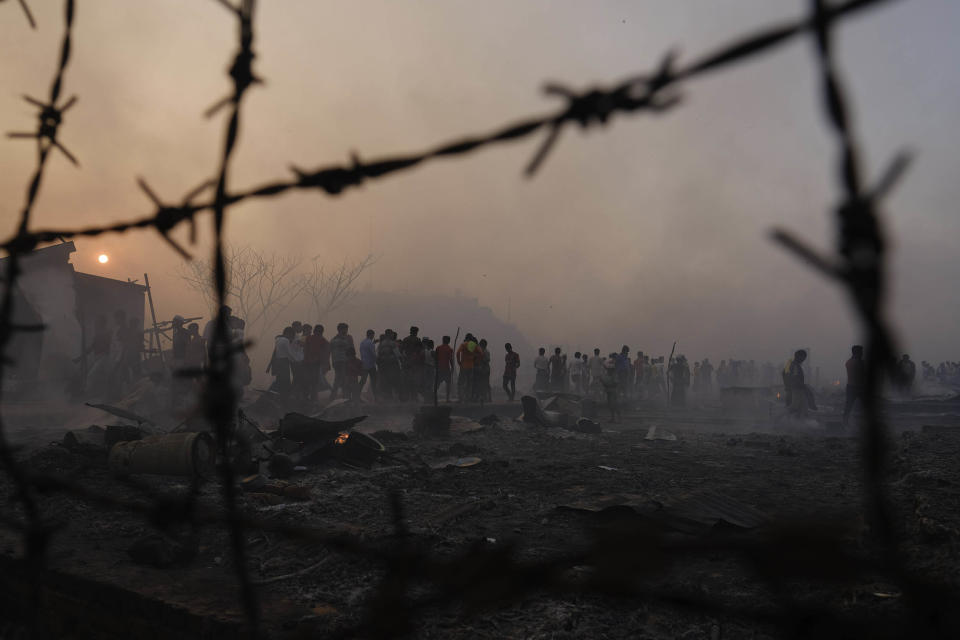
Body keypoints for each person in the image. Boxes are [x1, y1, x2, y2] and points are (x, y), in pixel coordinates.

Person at [268, 326, 301, 404]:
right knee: (286, 380)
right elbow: (288, 353)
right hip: (284, 362)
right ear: (288, 333)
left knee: (280, 379)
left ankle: (274, 394)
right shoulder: (285, 340)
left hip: (278, 361)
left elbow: (276, 352)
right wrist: (296, 361)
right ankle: (284, 398)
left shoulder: (278, 339)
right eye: (291, 336)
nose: (291, 338)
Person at [329, 322, 355, 400]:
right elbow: (351, 349)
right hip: (342, 361)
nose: (346, 331)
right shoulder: (344, 339)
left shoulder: (334, 339)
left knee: (340, 378)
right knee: (343, 378)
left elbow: (352, 349)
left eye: (346, 329)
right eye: (345, 329)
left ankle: (335, 396)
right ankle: (344, 396)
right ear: (340, 330)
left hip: (339, 361)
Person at [377, 330, 402, 401]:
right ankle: (393, 397)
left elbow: (378, 355)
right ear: (390, 334)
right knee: (394, 381)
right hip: (392, 365)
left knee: (386, 381)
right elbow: (397, 354)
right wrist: (402, 360)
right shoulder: (393, 343)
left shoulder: (382, 344)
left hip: (383, 365)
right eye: (391, 334)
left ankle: (388, 397)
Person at [843, 345, 866, 426]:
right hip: (859, 387)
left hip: (850, 386)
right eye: (861, 352)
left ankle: (845, 422)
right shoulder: (860, 363)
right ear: (858, 353)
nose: (862, 354)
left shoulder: (848, 362)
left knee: (848, 406)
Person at [401, 326, 425, 402]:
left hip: (407, 363)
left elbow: (401, 351)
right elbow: (420, 351)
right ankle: (414, 397)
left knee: (407, 381)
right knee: (415, 381)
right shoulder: (417, 340)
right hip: (415, 364)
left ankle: (407, 398)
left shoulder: (405, 339)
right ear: (416, 332)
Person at [359, 329, 378, 401]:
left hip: (364, 364)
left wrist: (373, 343)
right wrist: (377, 360)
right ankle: (376, 397)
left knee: (363, 381)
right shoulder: (370, 343)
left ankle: (357, 395)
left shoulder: (362, 342)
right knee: (374, 381)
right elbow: (373, 354)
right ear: (372, 335)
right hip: (371, 365)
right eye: (373, 335)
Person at [600, 356, 621, 422]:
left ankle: (618, 418)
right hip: (609, 391)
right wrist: (603, 382)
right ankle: (613, 418)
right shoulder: (609, 374)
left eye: (609, 369)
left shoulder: (614, 375)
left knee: (614, 405)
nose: (608, 370)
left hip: (613, 391)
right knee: (610, 405)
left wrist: (606, 383)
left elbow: (615, 383)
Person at [435, 335, 455, 402]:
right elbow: (450, 359)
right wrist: (452, 367)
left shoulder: (438, 348)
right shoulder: (449, 349)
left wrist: (436, 367)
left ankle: (434, 397)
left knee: (437, 383)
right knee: (448, 384)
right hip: (446, 369)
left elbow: (436, 359)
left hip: (440, 368)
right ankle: (447, 399)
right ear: (448, 341)